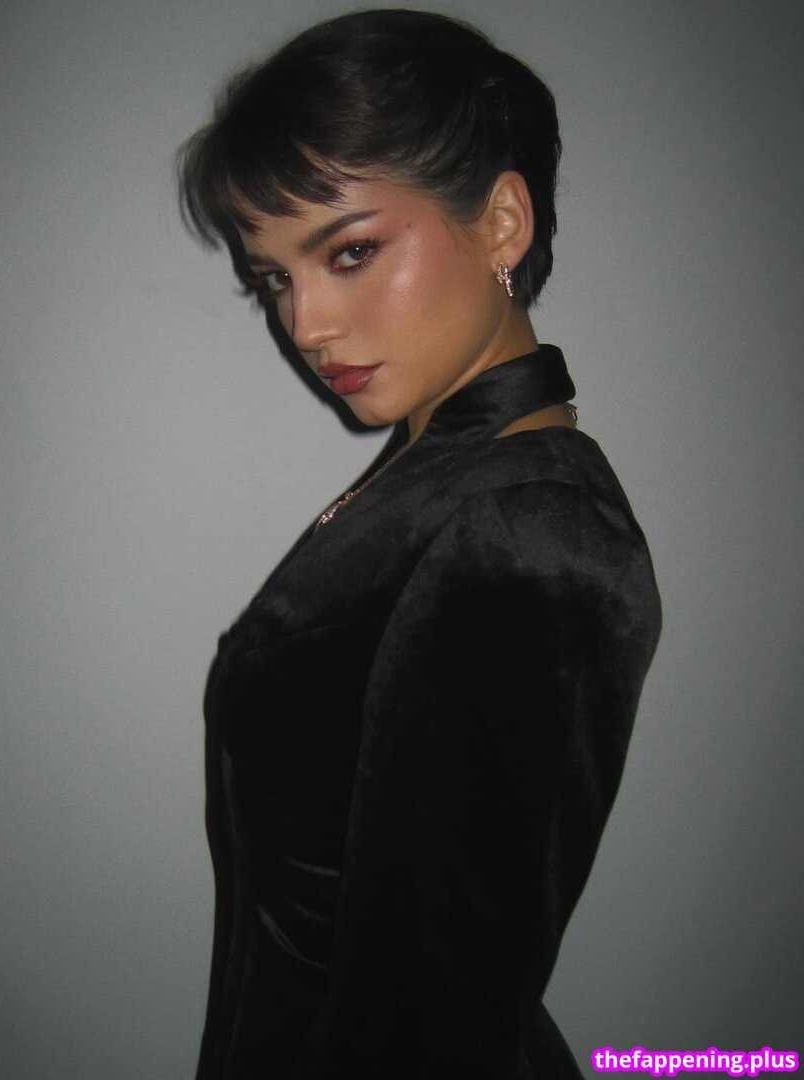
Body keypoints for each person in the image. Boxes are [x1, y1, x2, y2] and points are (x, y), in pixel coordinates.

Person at [177, 9, 661, 1078]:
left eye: (349, 251)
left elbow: (433, 1018)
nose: (305, 325)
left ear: (501, 223)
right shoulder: (443, 477)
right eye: (274, 278)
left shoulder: (523, 538)